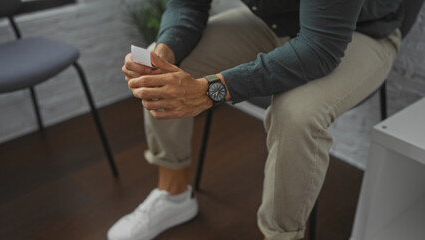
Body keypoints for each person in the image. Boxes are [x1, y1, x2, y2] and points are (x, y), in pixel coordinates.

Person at [108, 0, 404, 239]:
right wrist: (165, 51)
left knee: (296, 114)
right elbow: (187, 5)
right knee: (159, 71)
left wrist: (209, 90)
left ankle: (282, 236)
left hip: (356, 33)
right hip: (277, 21)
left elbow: (319, 49)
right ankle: (173, 196)